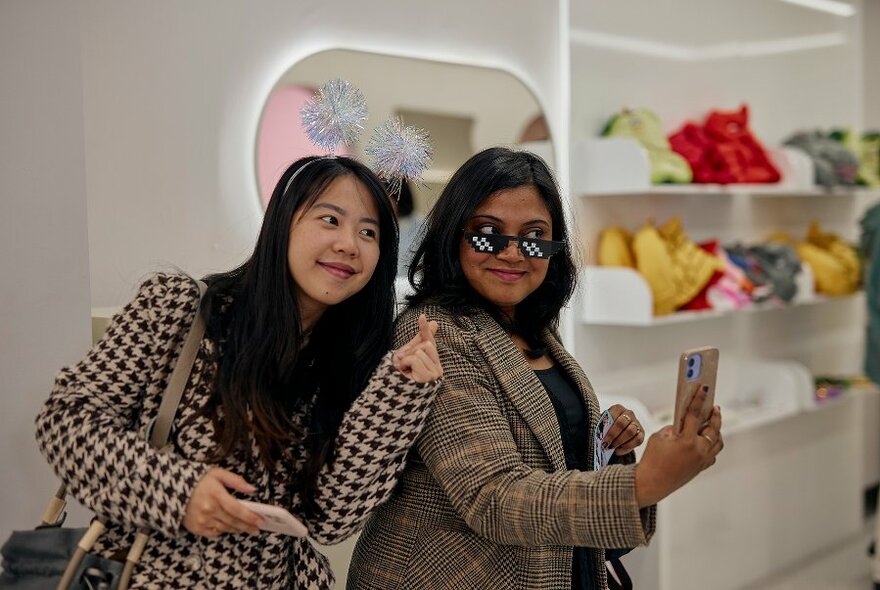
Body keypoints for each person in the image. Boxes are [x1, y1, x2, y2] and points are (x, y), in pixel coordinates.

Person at [35, 155, 443, 588]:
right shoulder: (180, 309)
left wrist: (399, 393)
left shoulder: (353, 360)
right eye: (329, 219)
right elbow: (66, 421)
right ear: (283, 224)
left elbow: (330, 521)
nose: (349, 244)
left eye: (368, 232)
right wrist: (180, 492)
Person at [349, 147, 724, 590]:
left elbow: (545, 453)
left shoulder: (532, 326)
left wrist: (607, 444)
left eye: (533, 237)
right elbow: (494, 497)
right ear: (453, 235)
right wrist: (643, 482)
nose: (512, 254)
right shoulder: (433, 333)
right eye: (488, 233)